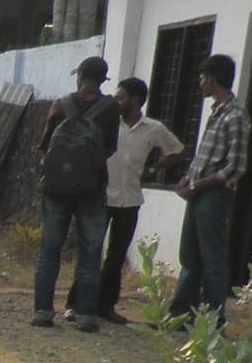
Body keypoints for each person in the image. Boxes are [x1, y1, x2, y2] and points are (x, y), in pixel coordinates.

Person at [33, 55, 121, 333]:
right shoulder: (110, 109)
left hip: (56, 190)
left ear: (79, 75)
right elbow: (109, 148)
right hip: (91, 190)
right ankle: (85, 315)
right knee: (91, 252)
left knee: (50, 250)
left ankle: (43, 311)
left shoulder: (60, 104)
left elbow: (45, 146)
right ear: (103, 80)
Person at [168, 53, 251, 326]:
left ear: (213, 79)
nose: (200, 84)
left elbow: (235, 167)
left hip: (215, 194)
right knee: (189, 255)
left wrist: (201, 184)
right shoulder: (216, 113)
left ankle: (213, 319)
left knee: (212, 258)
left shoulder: (236, 116)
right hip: (199, 190)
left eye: (203, 78)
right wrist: (188, 179)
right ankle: (181, 314)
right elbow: (205, 157)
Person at [94, 77, 186, 323]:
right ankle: (81, 302)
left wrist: (154, 170)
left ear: (135, 101)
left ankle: (106, 305)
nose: (116, 102)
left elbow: (179, 151)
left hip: (130, 199)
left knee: (116, 255)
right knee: (92, 251)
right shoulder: (109, 123)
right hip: (102, 197)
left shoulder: (153, 129)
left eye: (121, 97)